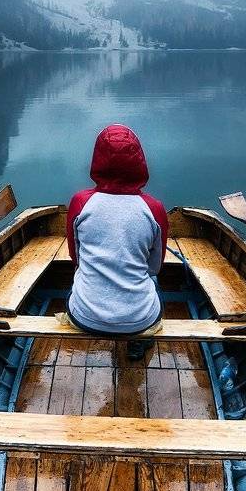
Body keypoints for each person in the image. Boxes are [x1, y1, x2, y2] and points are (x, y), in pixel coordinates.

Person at [66, 124, 169, 359]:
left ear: (98, 159)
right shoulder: (154, 209)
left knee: (80, 278)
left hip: (84, 316)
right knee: (154, 281)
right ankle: (138, 343)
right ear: (140, 161)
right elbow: (155, 268)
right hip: (140, 319)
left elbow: (77, 259)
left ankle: (94, 322)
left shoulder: (81, 203)